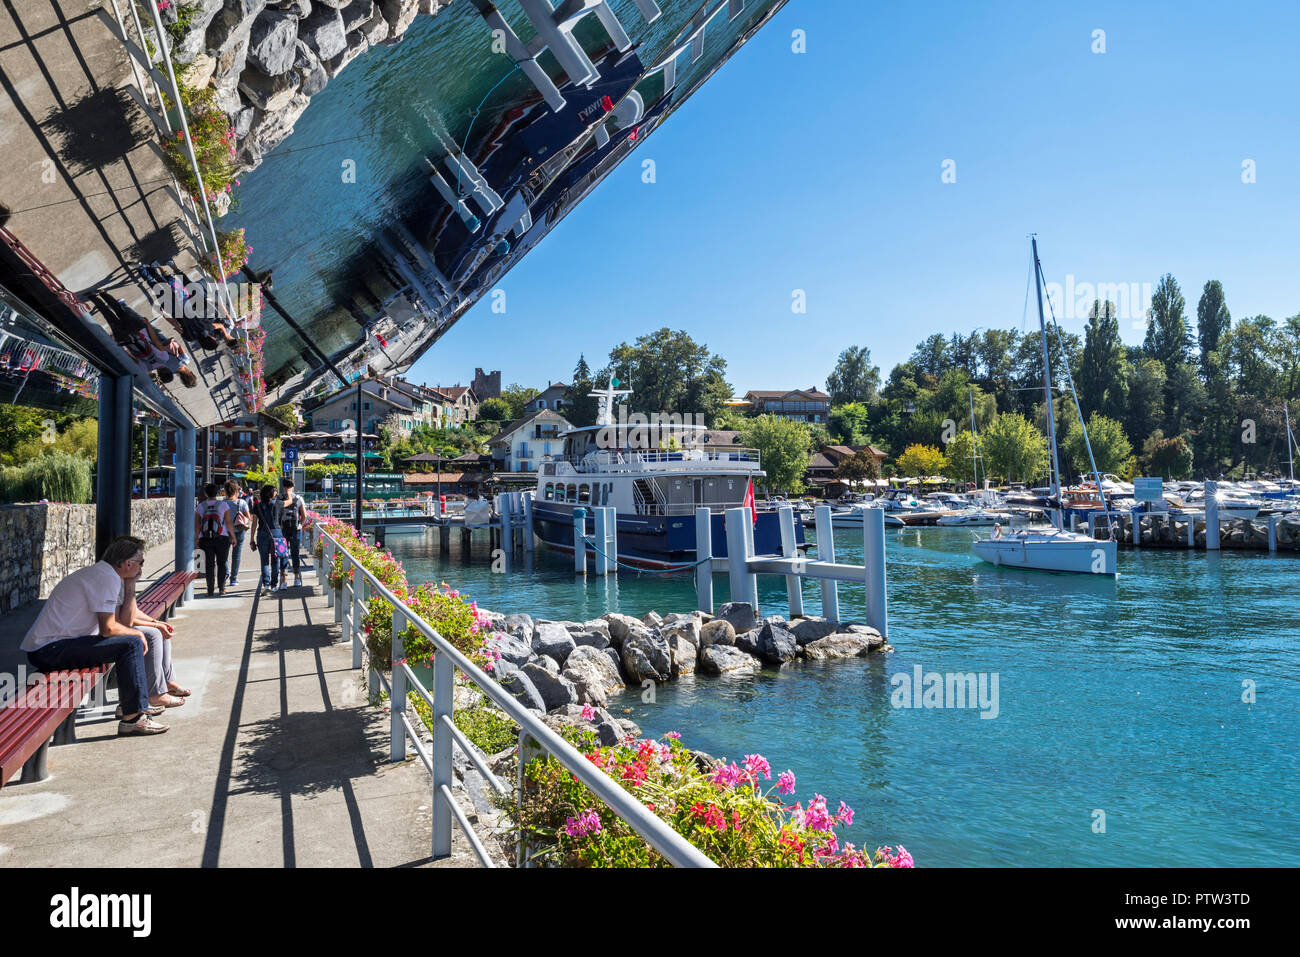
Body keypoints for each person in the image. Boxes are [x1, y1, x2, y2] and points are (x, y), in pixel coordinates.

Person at [20, 535, 168, 735]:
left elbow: (120, 624)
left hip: (54, 646)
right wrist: (135, 634)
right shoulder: (106, 578)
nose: (142, 567)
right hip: (49, 649)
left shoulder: (104, 574)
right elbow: (108, 628)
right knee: (131, 643)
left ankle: (131, 707)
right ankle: (133, 717)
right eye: (140, 562)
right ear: (127, 563)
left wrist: (131, 585)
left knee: (130, 641)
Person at [195, 483, 235, 596]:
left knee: (209, 565)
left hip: (205, 539)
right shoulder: (223, 505)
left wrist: (196, 540)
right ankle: (222, 589)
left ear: (205, 493)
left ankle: (210, 590)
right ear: (217, 493)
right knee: (222, 563)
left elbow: (197, 525)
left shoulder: (200, 506)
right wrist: (233, 536)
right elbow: (228, 522)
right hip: (222, 538)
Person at [248, 484, 283, 597]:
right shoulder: (278, 503)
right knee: (275, 560)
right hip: (276, 533)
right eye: (275, 491)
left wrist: (252, 538)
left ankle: (266, 584)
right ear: (272, 493)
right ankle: (274, 585)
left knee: (264, 561)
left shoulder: (257, 506)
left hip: (262, 533)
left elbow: (254, 524)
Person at [277, 478, 307, 588]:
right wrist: (300, 525)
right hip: (296, 530)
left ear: (283, 486)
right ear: (293, 486)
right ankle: (296, 578)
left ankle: (284, 581)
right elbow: (304, 515)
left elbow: (276, 515)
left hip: (282, 530)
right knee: (295, 554)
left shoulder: (279, 498)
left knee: (283, 554)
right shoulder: (298, 498)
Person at [224, 479, 250, 587]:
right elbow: (248, 518)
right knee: (236, 555)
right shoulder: (242, 503)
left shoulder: (222, 503)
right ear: (236, 491)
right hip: (239, 531)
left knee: (224, 555)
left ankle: (226, 571)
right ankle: (233, 579)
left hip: (225, 532)